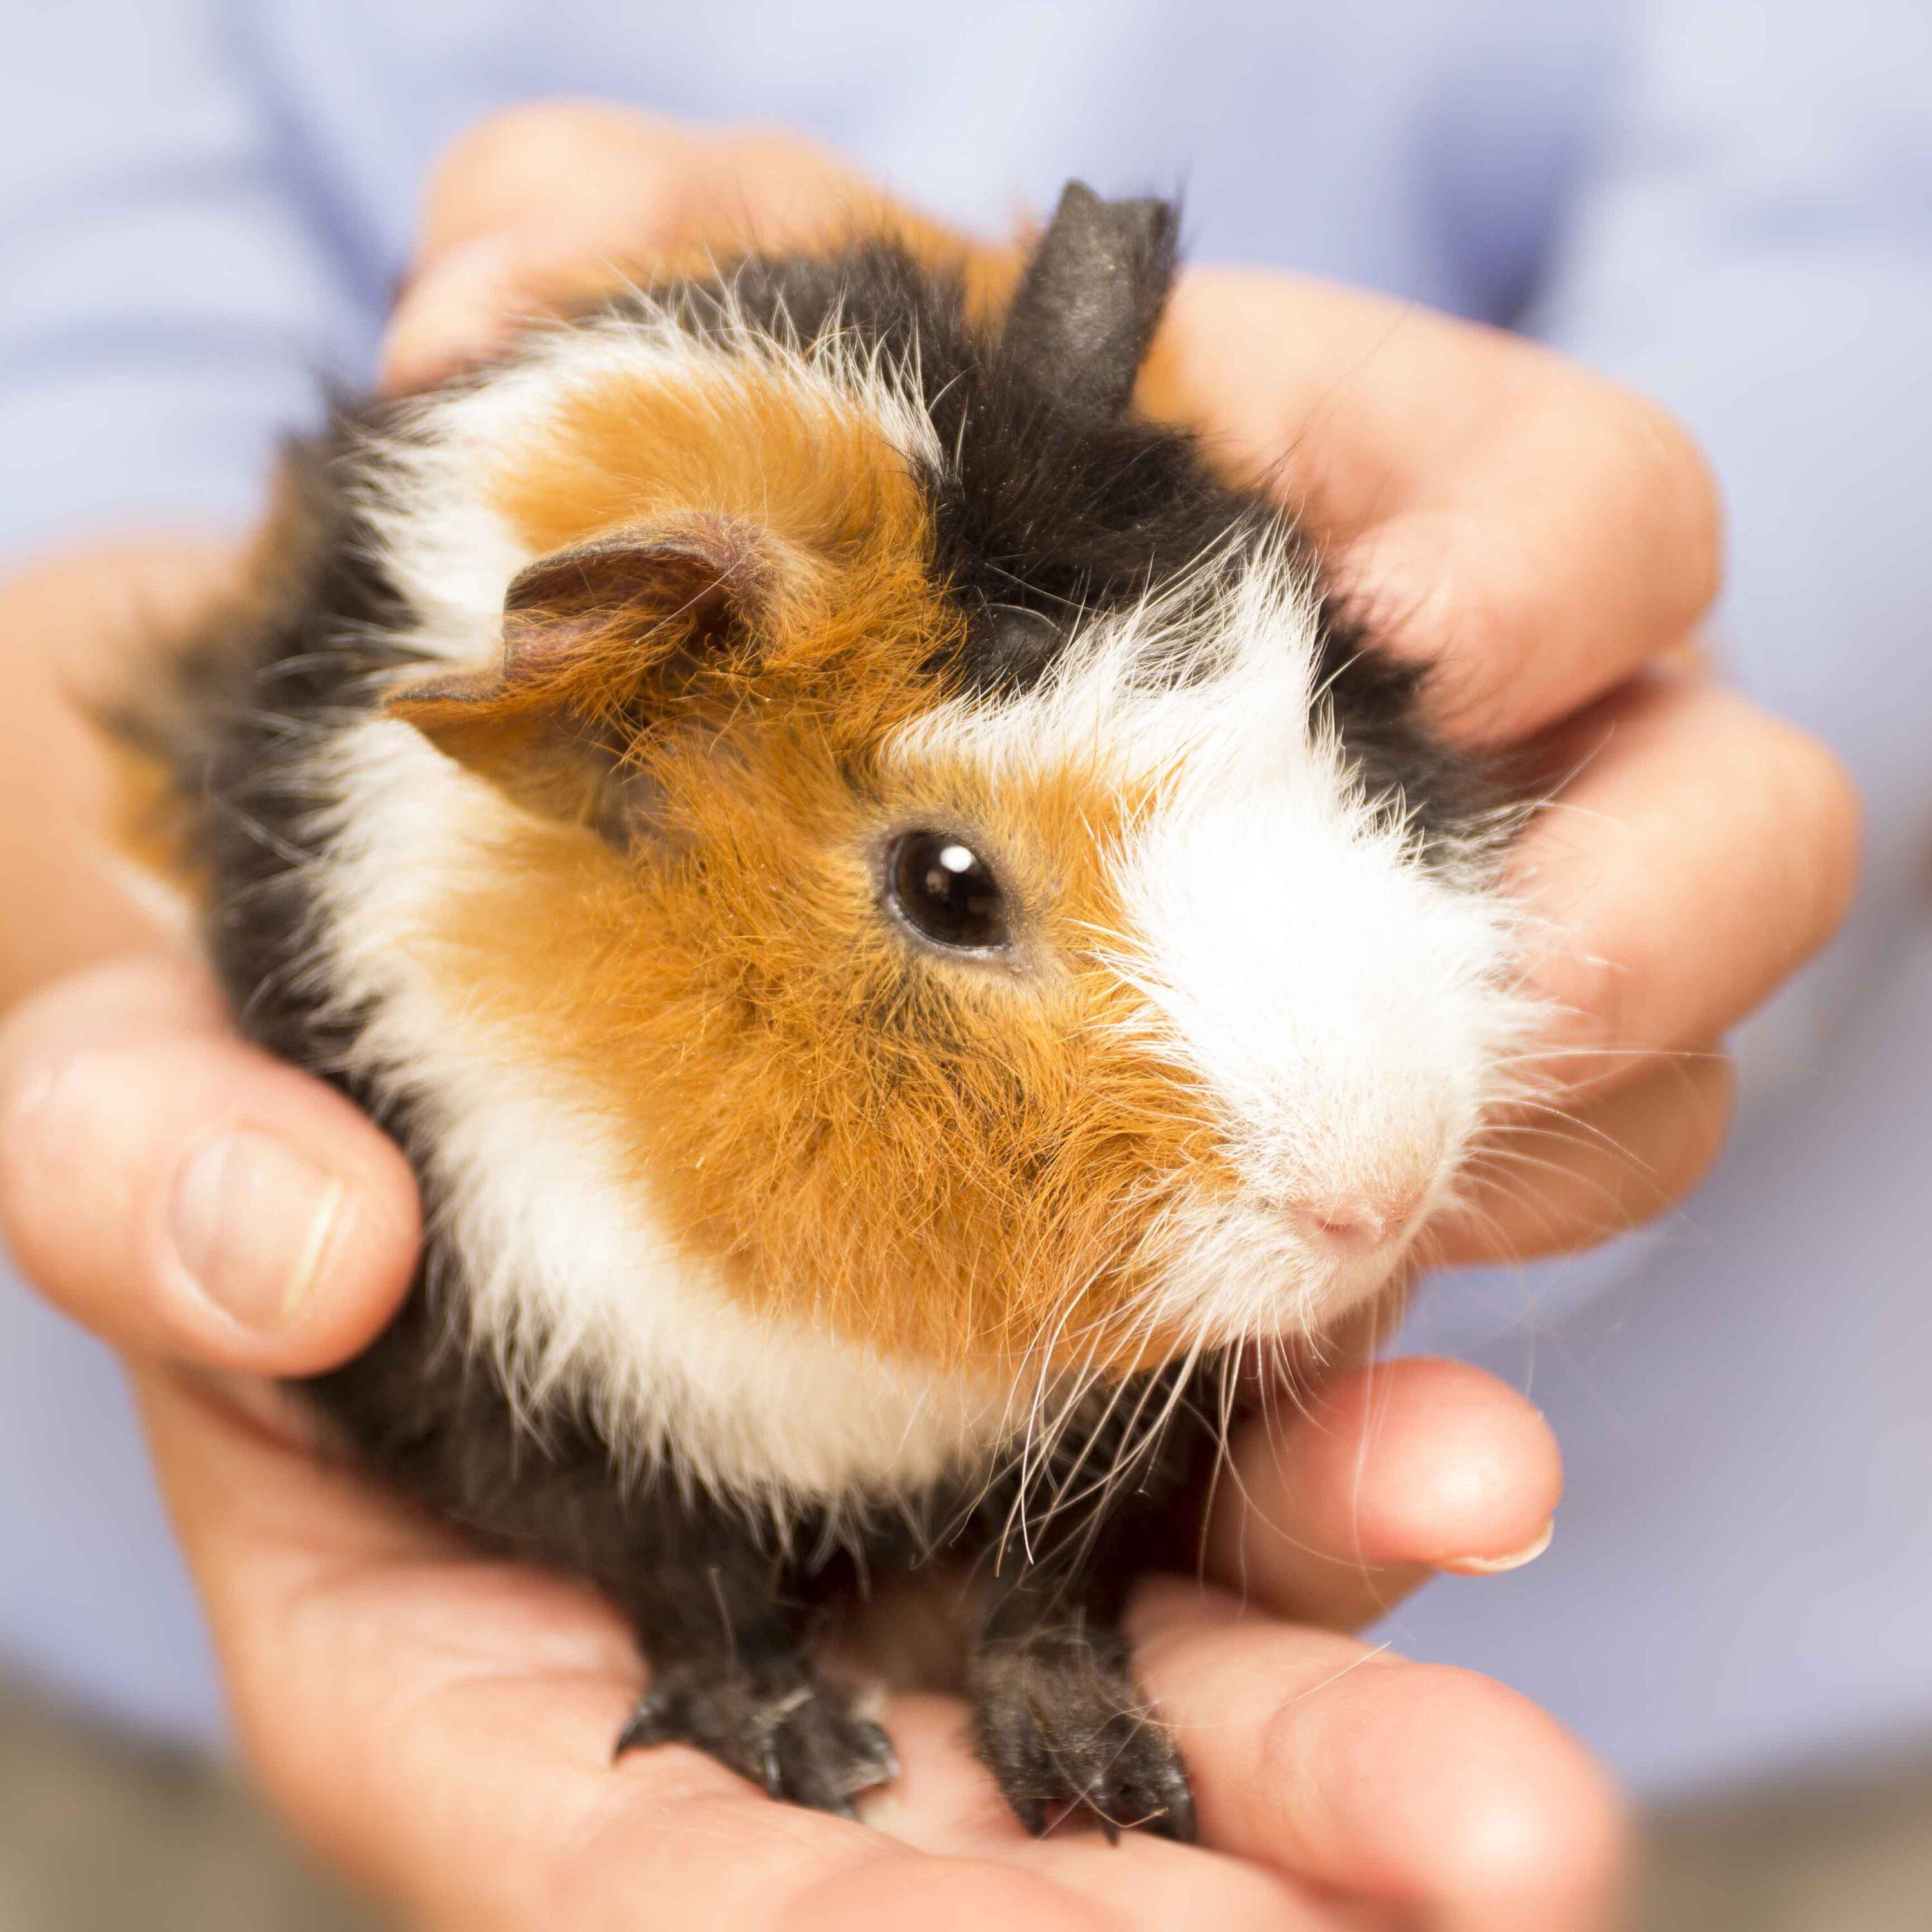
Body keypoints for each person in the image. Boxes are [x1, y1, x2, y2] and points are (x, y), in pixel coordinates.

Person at [0, 1, 1915, 1924]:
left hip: (1801, 1636)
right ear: (621, 747)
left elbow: (1873, 211)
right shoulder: (450, 988)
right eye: (946, 882)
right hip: (104, 1709)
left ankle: (1040, 1620)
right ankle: (719, 1626)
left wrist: (1684, 687)